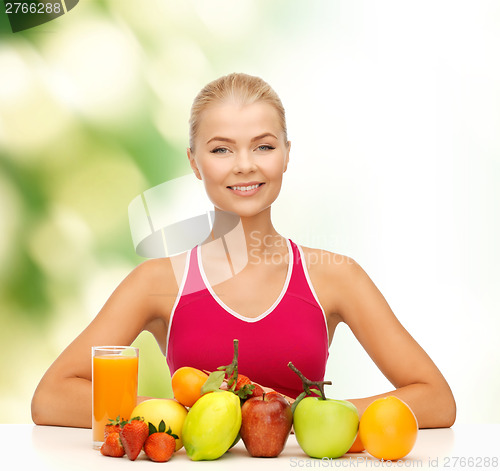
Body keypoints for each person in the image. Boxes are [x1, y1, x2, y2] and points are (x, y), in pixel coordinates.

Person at [31, 73, 456, 429]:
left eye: (264, 146)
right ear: (195, 163)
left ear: (286, 155)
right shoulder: (158, 282)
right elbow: (52, 397)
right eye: (221, 149)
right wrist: (180, 416)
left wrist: (300, 416)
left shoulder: (336, 276)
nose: (245, 165)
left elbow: (436, 400)